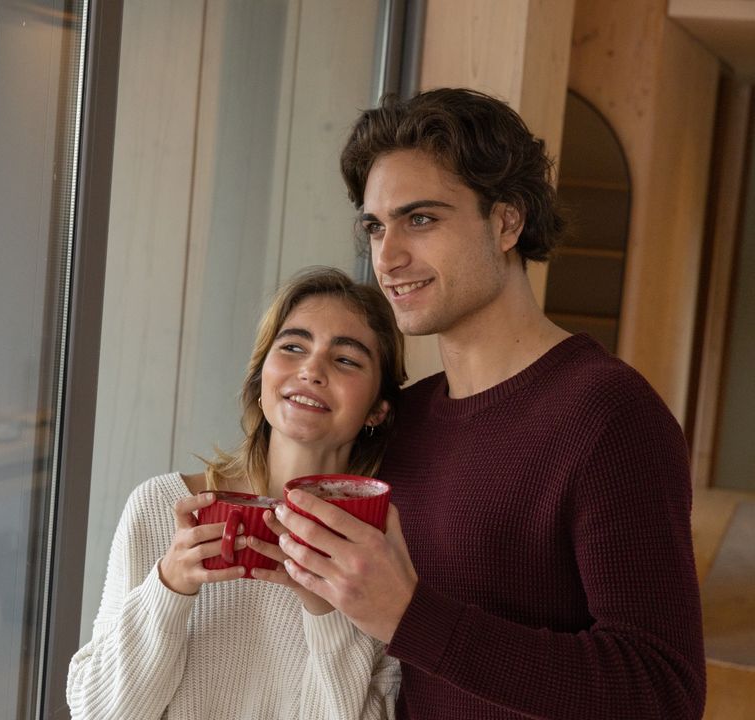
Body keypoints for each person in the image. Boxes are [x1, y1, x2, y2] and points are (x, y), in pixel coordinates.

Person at [273, 88, 706, 719]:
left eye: (420, 219)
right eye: (375, 225)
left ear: (506, 222)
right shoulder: (406, 417)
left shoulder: (610, 416)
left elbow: (662, 692)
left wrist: (410, 615)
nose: (387, 257)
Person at [67, 267, 405, 719]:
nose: (311, 369)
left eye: (345, 359)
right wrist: (169, 586)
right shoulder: (161, 507)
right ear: (260, 379)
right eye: (292, 347)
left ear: (378, 410)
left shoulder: (380, 549)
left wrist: (327, 614)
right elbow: (97, 713)